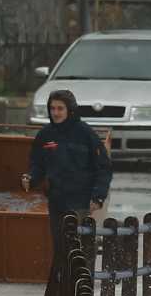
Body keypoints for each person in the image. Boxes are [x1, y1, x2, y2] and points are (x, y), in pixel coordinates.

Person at [22, 90, 112, 255]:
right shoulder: (45, 135)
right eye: (52, 108)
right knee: (59, 247)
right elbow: (37, 164)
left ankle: (81, 279)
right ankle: (62, 279)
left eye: (60, 109)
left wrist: (98, 196)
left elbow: (103, 168)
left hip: (81, 201)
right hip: (56, 200)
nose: (55, 113)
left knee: (76, 247)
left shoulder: (86, 134)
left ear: (70, 110)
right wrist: (31, 178)